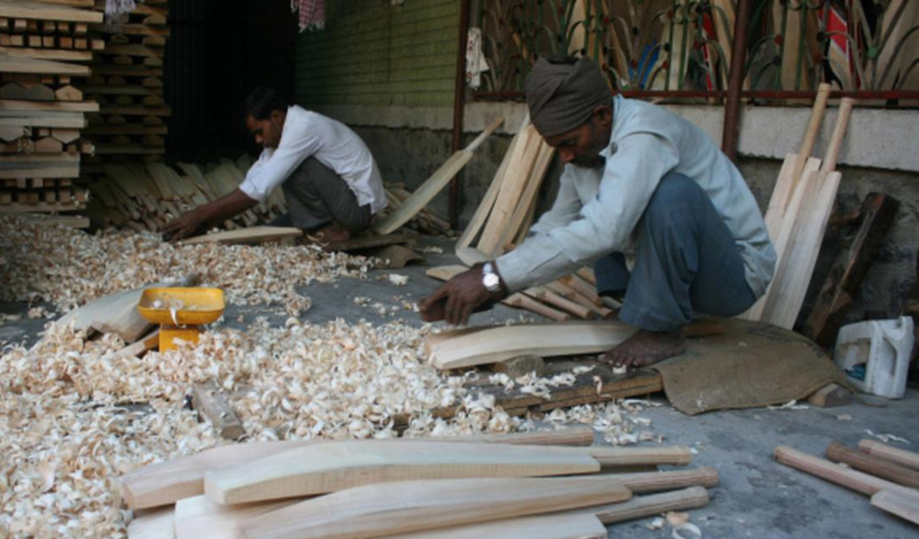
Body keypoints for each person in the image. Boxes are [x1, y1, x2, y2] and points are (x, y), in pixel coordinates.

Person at [419, 56, 776, 368]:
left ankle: (662, 327)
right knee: (587, 218)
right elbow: (554, 229)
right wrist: (494, 284)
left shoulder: (644, 134)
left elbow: (606, 230)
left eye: (569, 144)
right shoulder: (585, 156)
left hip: (733, 276)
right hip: (683, 267)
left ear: (602, 116)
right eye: (557, 148)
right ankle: (638, 305)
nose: (566, 157)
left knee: (668, 195)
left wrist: (493, 277)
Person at [163, 88, 387, 243]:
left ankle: (330, 230)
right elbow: (255, 178)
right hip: (341, 204)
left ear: (277, 117)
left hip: (358, 211)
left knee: (297, 167)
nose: (258, 140)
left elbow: (261, 187)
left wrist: (200, 215)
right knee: (270, 231)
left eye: (259, 132)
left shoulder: (304, 128)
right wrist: (206, 222)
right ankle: (320, 225)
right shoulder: (284, 135)